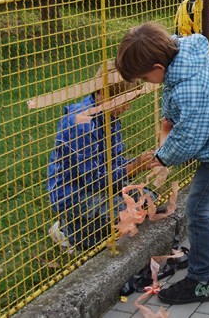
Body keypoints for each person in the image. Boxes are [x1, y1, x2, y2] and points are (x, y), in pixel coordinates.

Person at [115, 22, 209, 305]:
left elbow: (190, 137)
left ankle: (201, 281)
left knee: (198, 210)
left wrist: (161, 157)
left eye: (146, 77)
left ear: (159, 66)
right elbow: (192, 118)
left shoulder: (190, 86)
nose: (148, 82)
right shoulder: (187, 58)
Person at [47, 61, 157, 252]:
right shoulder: (81, 124)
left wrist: (134, 163)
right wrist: (133, 168)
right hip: (76, 193)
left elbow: (114, 160)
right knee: (127, 213)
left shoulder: (110, 117)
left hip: (101, 186)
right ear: (104, 94)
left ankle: (90, 230)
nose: (128, 107)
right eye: (125, 101)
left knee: (148, 200)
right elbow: (94, 180)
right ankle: (71, 232)